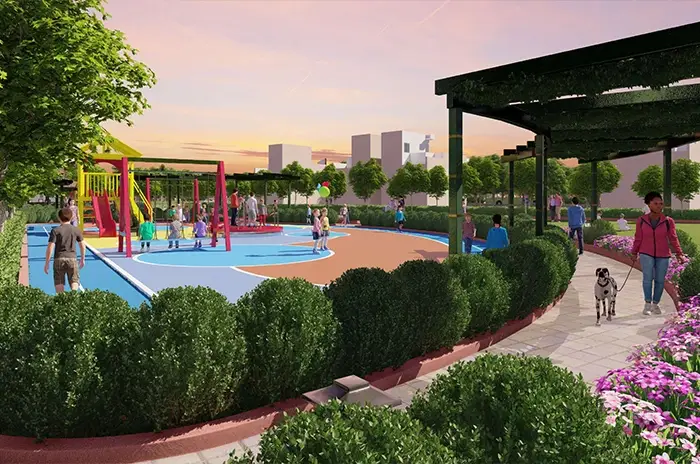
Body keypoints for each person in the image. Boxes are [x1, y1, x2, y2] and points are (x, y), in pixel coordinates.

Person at [631, 191, 684, 316]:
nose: (659, 206)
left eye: (661, 204)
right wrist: (634, 252)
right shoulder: (641, 221)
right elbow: (638, 237)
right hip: (646, 253)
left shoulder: (668, 221)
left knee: (660, 280)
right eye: (656, 203)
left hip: (663, 254)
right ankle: (647, 304)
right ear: (649, 204)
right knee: (647, 279)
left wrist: (679, 253)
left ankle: (656, 304)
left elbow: (673, 238)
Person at [44, 207, 86, 293]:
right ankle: (73, 296)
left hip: (58, 259)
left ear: (59, 218)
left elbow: (50, 247)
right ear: (71, 217)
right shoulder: (76, 230)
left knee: (59, 281)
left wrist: (47, 262)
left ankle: (61, 300)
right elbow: (82, 245)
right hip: (72, 258)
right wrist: (82, 258)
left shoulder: (55, 231)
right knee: (74, 280)